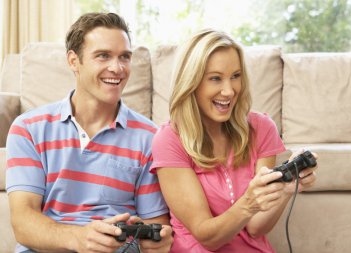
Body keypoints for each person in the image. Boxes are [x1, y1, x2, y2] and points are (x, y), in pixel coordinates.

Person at [6, 13, 172, 253]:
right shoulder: (29, 128)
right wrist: (78, 238)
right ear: (74, 61)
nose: (117, 68)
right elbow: (23, 223)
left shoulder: (149, 137)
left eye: (124, 57)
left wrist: (156, 241)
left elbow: (156, 223)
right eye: (103, 55)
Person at [150, 29, 317, 252]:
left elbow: (256, 228)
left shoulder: (261, 128)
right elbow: (206, 235)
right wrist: (247, 203)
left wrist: (286, 188)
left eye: (236, 76)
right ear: (192, 82)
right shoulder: (169, 140)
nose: (229, 91)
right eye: (215, 78)